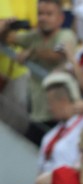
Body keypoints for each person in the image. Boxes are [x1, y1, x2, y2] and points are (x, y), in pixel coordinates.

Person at [1, 0, 77, 142]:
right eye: (40, 14)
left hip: (57, 115)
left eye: (49, 14)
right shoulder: (35, 36)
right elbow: (9, 38)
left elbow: (56, 54)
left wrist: (31, 52)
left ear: (60, 18)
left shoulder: (66, 35)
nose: (43, 18)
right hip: (37, 110)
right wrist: (6, 27)